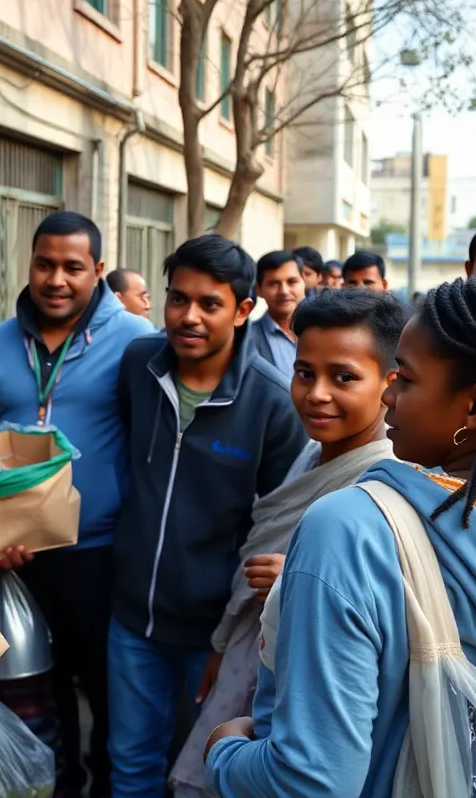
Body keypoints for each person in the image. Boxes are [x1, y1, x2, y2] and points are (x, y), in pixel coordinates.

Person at [205, 275, 476, 797]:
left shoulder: (350, 529)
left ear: (474, 407)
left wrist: (224, 751)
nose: (387, 395)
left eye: (404, 378)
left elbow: (310, 781)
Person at [171, 288, 404, 798]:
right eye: (305, 374)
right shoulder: (313, 453)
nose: (317, 393)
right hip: (249, 649)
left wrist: (300, 582)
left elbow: (403, 606)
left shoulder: (388, 478)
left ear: (390, 384)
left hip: (315, 689)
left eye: (343, 377)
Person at [108, 236, 308, 797]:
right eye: (177, 299)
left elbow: (275, 520)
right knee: (131, 766)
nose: (188, 316)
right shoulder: (137, 366)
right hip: (132, 621)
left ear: (244, 310)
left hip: (214, 634)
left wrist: (233, 637)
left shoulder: (272, 400)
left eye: (209, 303)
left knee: (202, 775)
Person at [0, 210, 156, 797]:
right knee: (36, 694)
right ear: (30, 263)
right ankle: (54, 787)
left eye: (73, 267)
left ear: (97, 270)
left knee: (104, 691)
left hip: (98, 554)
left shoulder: (135, 340)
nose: (56, 279)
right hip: (16, 557)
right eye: (44, 264)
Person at [247, 250, 303, 374]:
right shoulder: (246, 340)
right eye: (273, 284)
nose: (284, 291)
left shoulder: (323, 333)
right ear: (259, 290)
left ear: (303, 282)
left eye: (291, 282)